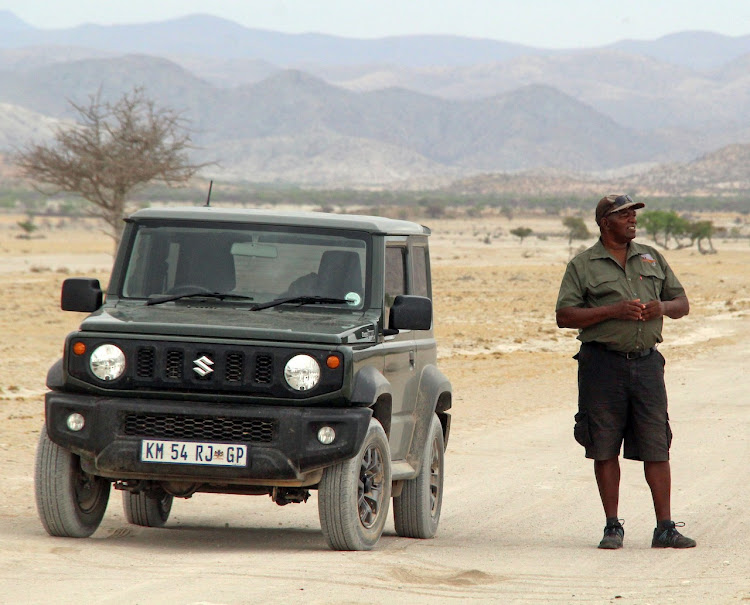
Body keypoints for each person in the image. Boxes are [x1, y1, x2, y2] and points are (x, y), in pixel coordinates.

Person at [555, 194, 697, 550]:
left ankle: (665, 527)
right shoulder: (583, 265)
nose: (633, 218)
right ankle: (612, 527)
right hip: (601, 365)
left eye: (633, 213)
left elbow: (682, 304)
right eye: (624, 214)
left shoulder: (651, 256)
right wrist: (613, 310)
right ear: (606, 222)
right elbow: (564, 316)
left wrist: (660, 307)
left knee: (656, 444)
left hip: (648, 364)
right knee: (603, 445)